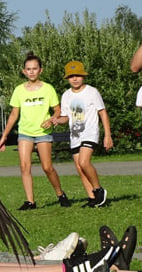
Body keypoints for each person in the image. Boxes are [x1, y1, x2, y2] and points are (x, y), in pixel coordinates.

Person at [0, 52, 70, 210]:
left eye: (34, 68)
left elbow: (58, 111)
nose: (31, 71)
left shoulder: (48, 89)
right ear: (24, 71)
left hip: (43, 133)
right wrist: (4, 136)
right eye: (28, 69)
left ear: (40, 70)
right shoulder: (19, 90)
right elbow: (14, 114)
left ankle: (60, 193)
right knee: (24, 166)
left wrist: (51, 119)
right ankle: (30, 201)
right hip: (25, 132)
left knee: (47, 167)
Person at [54, 60, 112, 207]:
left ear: (83, 76)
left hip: (90, 132)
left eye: (78, 75)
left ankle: (99, 190)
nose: (75, 79)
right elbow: (66, 117)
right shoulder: (66, 95)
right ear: (67, 78)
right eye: (71, 76)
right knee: (80, 168)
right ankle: (93, 198)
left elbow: (103, 113)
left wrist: (107, 135)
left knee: (84, 162)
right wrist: (57, 120)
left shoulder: (92, 92)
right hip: (75, 135)